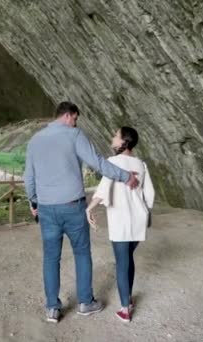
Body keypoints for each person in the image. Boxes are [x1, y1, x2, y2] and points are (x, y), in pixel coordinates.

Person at [24, 101, 140, 323]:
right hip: (72, 206)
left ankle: (52, 308)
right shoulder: (74, 135)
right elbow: (97, 162)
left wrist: (34, 202)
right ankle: (86, 303)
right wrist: (127, 176)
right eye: (75, 118)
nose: (76, 123)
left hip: (47, 209)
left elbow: (29, 176)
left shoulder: (35, 140)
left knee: (50, 258)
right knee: (81, 253)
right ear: (68, 116)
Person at [86, 126, 155, 323]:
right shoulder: (141, 164)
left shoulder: (113, 162)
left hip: (121, 220)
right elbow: (150, 194)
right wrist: (145, 211)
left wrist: (89, 208)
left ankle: (125, 308)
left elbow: (102, 190)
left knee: (122, 262)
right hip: (138, 220)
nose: (112, 138)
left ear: (124, 142)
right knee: (127, 259)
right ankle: (128, 299)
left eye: (115, 136)